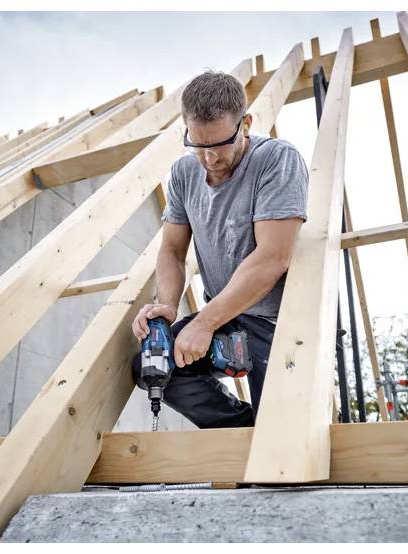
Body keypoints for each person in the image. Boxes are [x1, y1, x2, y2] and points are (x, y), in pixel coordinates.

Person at [130, 70, 309, 428]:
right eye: (198, 145)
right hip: (229, 318)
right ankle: (242, 435)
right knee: (155, 364)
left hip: (282, 323)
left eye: (219, 145)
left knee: (281, 438)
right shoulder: (183, 174)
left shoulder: (276, 160)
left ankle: (265, 436)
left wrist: (206, 320)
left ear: (245, 123)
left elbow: (273, 257)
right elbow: (171, 251)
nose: (209, 158)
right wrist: (166, 305)